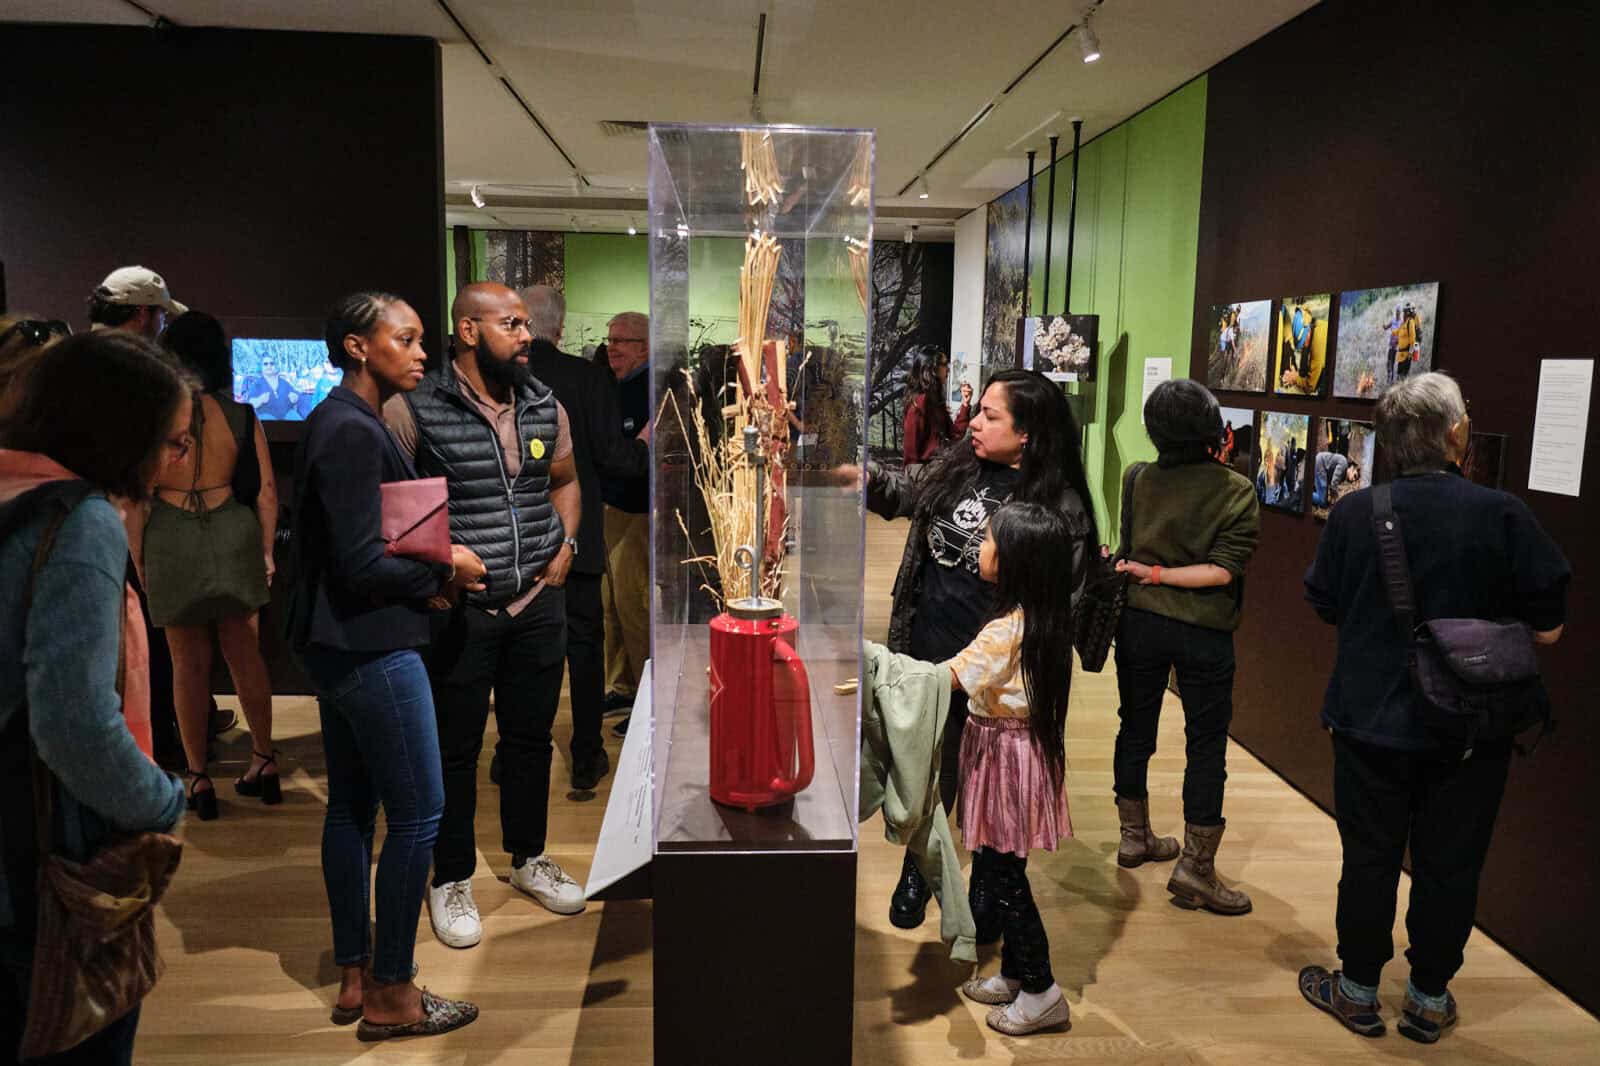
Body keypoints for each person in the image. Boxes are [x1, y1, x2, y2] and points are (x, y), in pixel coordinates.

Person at [1298, 373, 1569, 1043]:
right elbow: (1549, 628)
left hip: (1368, 719)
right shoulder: (1503, 514)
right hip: (1471, 728)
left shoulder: (1355, 514)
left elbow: (1325, 602)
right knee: (1451, 863)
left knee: (1368, 858)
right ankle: (1426, 1000)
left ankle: (1358, 991)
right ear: (1456, 434)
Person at [288, 292, 484, 1041]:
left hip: (343, 643)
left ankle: (356, 973)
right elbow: (363, 562)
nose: (422, 352)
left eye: (421, 340)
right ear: (356, 346)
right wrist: (445, 569)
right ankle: (393, 992)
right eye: (405, 339)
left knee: (351, 807)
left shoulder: (346, 421)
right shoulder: (349, 428)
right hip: (369, 646)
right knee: (420, 813)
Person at [0, 331, 190, 1063]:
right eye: (171, 440)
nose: (178, 458)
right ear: (120, 433)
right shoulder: (79, 523)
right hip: (44, 842)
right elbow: (74, 722)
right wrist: (161, 801)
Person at [856, 369, 1093, 934]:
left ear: (1028, 432)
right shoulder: (961, 464)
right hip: (931, 646)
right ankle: (920, 867)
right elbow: (908, 491)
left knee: (991, 781)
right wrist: (861, 477)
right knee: (928, 766)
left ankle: (988, 881)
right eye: (979, 411)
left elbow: (1061, 605)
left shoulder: (1058, 505)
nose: (976, 424)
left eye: (991, 415)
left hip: (999, 678)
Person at [385, 282, 586, 948]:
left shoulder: (544, 404)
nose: (527, 336)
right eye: (511, 324)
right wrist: (438, 569)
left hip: (538, 602)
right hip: (461, 610)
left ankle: (528, 858)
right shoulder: (413, 408)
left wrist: (568, 545)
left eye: (526, 324)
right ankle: (450, 877)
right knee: (454, 750)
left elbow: (565, 480)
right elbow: (395, 507)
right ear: (468, 331)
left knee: (529, 740)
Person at [1111, 379, 1260, 915]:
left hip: (1139, 623)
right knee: (1206, 744)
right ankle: (1195, 868)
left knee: (1135, 727)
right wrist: (1165, 575)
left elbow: (1129, 550)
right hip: (1204, 630)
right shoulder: (1236, 489)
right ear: (1210, 428)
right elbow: (1221, 572)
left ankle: (1134, 837)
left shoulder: (1137, 478)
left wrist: (1149, 574)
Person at [947, 503, 1081, 1036]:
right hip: (1019, 753)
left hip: (1004, 757)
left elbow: (952, 676)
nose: (979, 546)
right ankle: (1015, 974)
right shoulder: (1039, 619)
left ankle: (1043, 990)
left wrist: (886, 670)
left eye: (987, 540)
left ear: (1014, 561)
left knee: (1005, 878)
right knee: (1005, 866)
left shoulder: (1005, 631)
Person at [147, 311, 280, 820]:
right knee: (246, 655)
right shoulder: (241, 414)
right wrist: (266, 551)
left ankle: (199, 777)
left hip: (171, 534)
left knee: (187, 664)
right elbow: (266, 493)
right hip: (232, 532)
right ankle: (264, 761)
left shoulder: (152, 419)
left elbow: (135, 502)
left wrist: (140, 561)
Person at [520, 284, 649, 790]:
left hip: (514, 539)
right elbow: (616, 459)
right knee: (584, 645)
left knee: (520, 653)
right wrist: (643, 446)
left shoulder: (498, 376)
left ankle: (515, 754)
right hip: (577, 537)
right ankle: (586, 754)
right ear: (560, 326)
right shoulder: (586, 377)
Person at [599, 312, 652, 736]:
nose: (611, 347)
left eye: (621, 340)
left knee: (634, 608)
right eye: (610, 339)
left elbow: (636, 458)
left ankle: (647, 698)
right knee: (611, 605)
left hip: (639, 513)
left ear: (645, 347)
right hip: (611, 509)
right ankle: (621, 686)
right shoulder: (614, 386)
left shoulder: (653, 391)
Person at [901, 347, 972, 466]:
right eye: (944, 364)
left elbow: (955, 434)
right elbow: (911, 455)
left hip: (940, 469)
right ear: (932, 369)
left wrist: (965, 404)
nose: (948, 369)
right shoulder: (919, 402)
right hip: (926, 472)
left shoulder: (936, 400)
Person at [87, 265, 186, 341]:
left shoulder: (83, 354)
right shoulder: (125, 360)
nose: (165, 325)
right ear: (142, 314)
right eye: (164, 313)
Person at [243, 353, 301, 419]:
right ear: (261, 367)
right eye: (265, 364)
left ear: (275, 366)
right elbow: (251, 403)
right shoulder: (257, 384)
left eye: (272, 363)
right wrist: (260, 400)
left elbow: (295, 395)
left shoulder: (284, 382)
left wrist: (294, 397)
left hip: (287, 414)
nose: (269, 366)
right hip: (266, 416)